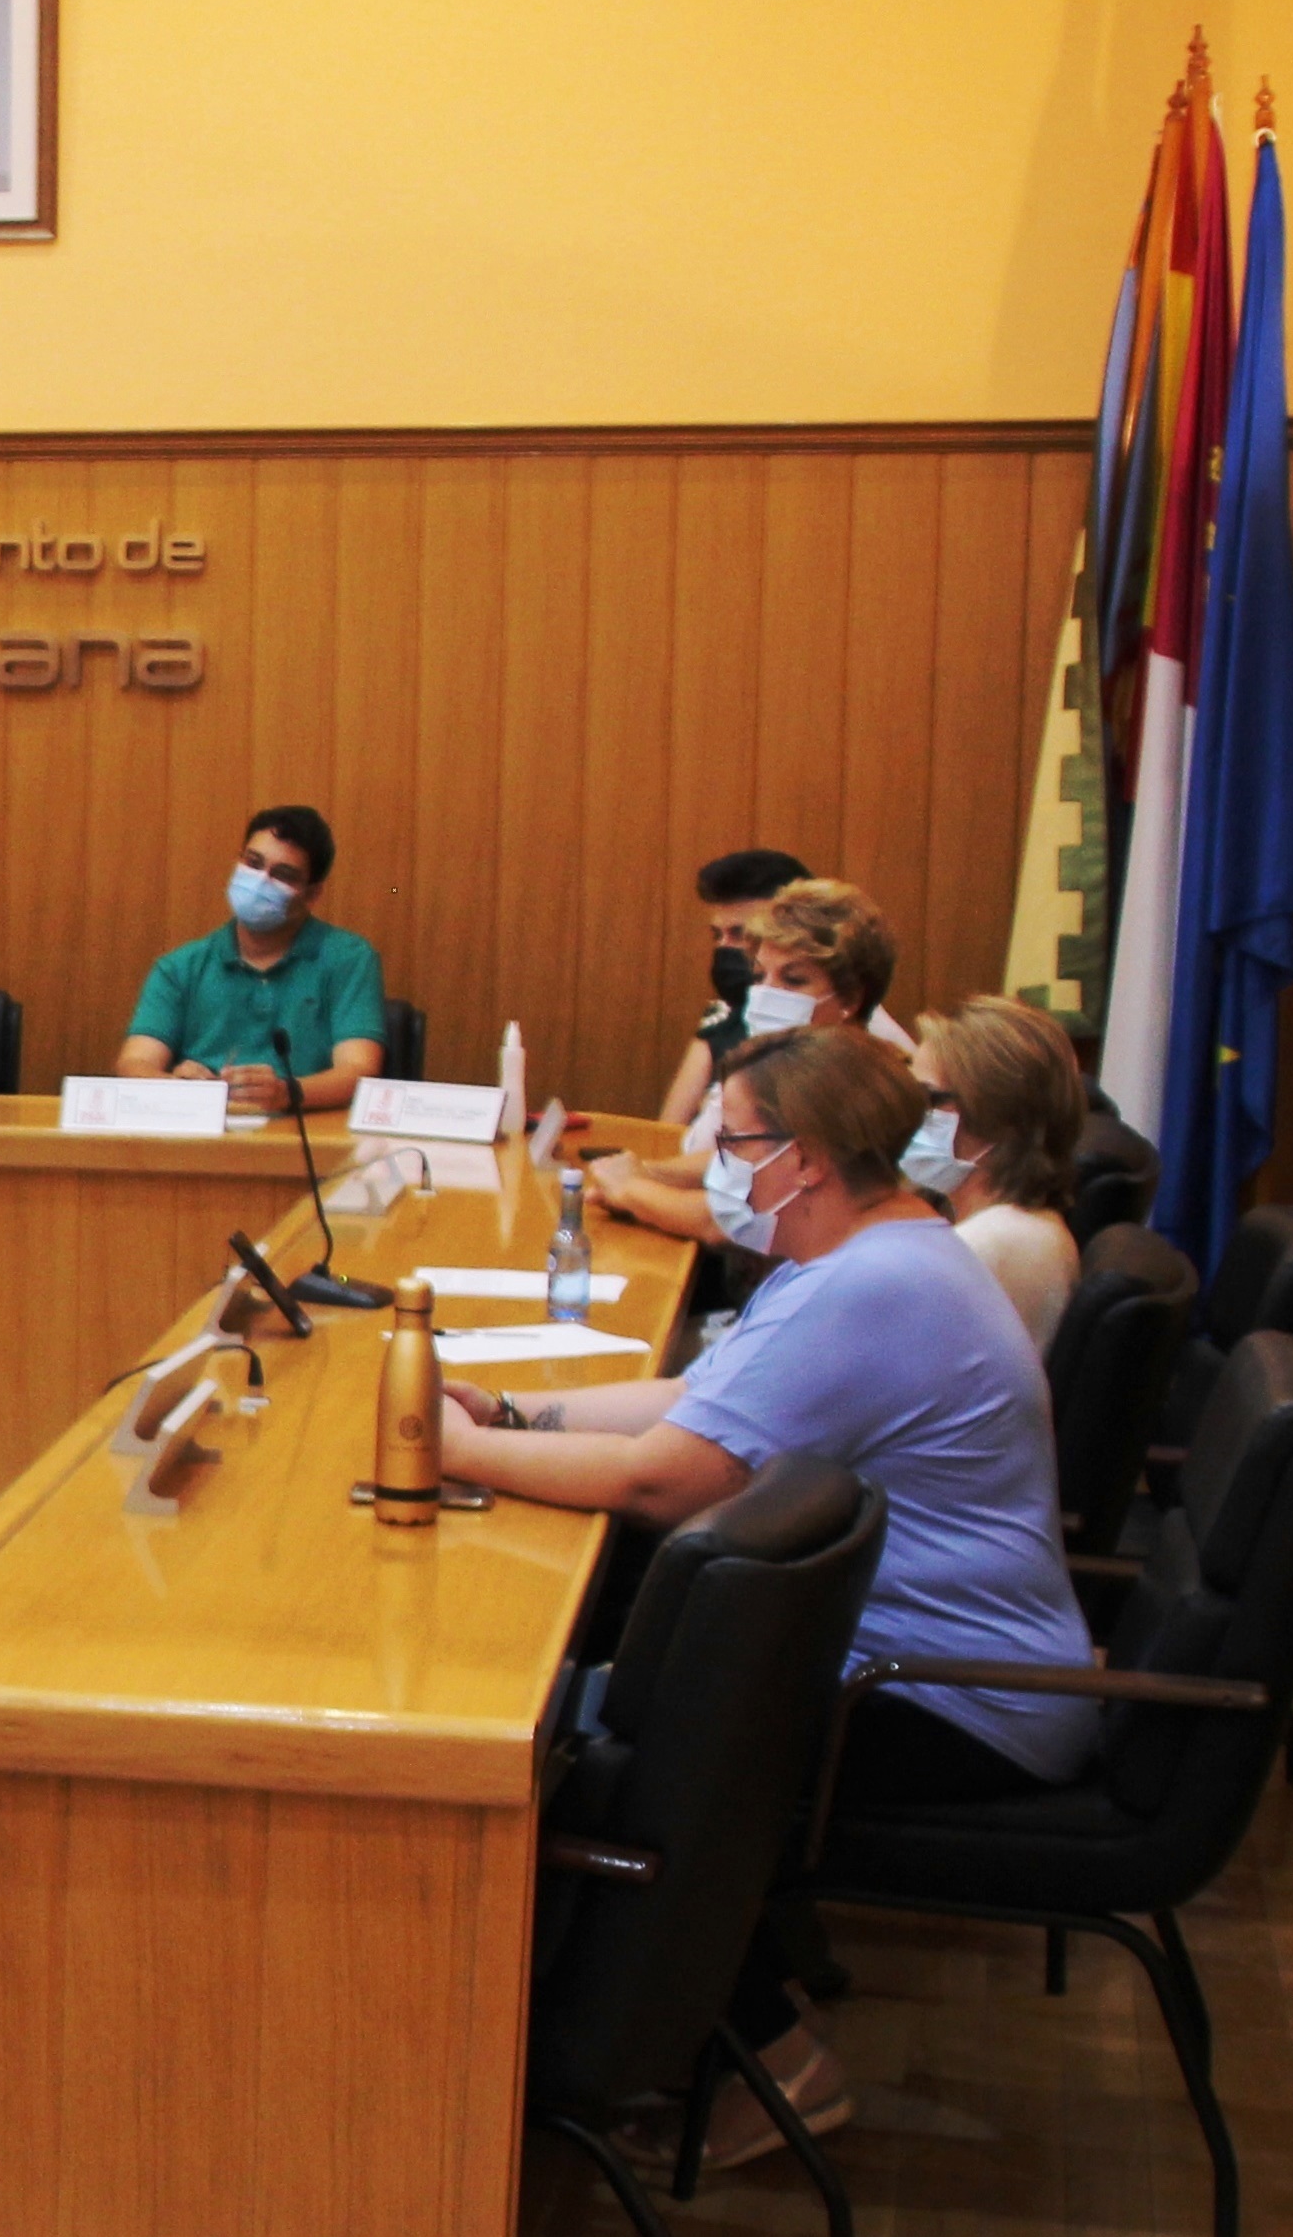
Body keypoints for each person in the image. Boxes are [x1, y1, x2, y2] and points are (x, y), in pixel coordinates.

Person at [438, 1030, 1093, 2167]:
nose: (718, 1163)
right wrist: (506, 1415)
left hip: (953, 1701)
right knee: (614, 1694)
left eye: (733, 1141)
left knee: (620, 1770)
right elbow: (701, 1398)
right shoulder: (879, 1255)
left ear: (799, 1161)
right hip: (896, 1663)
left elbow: (663, 1477)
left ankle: (770, 2059)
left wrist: (450, 1449)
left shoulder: (878, 1285)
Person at [588, 876, 906, 1244]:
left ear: (851, 997)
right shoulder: (802, 1069)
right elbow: (747, 1160)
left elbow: (730, 1221)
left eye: (794, 980)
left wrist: (631, 1191)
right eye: (760, 976)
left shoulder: (859, 1087)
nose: (767, 995)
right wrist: (652, 1173)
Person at [112, 804, 386, 1115]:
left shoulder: (349, 960)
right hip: (203, 1135)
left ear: (311, 895)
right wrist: (174, 1088)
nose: (261, 881)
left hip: (303, 1132)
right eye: (253, 863)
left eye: (283, 875)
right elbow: (134, 1062)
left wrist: (287, 1093)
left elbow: (359, 1069)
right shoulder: (180, 967)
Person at [910, 995, 1086, 1350]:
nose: (909, 1114)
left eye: (927, 1099)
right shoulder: (1025, 1223)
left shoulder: (990, 1244)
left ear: (998, 1116)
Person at [652, 847, 815, 1132]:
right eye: (717, 935)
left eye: (740, 934)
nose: (724, 949)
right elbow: (668, 1129)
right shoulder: (729, 1013)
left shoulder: (852, 1024)